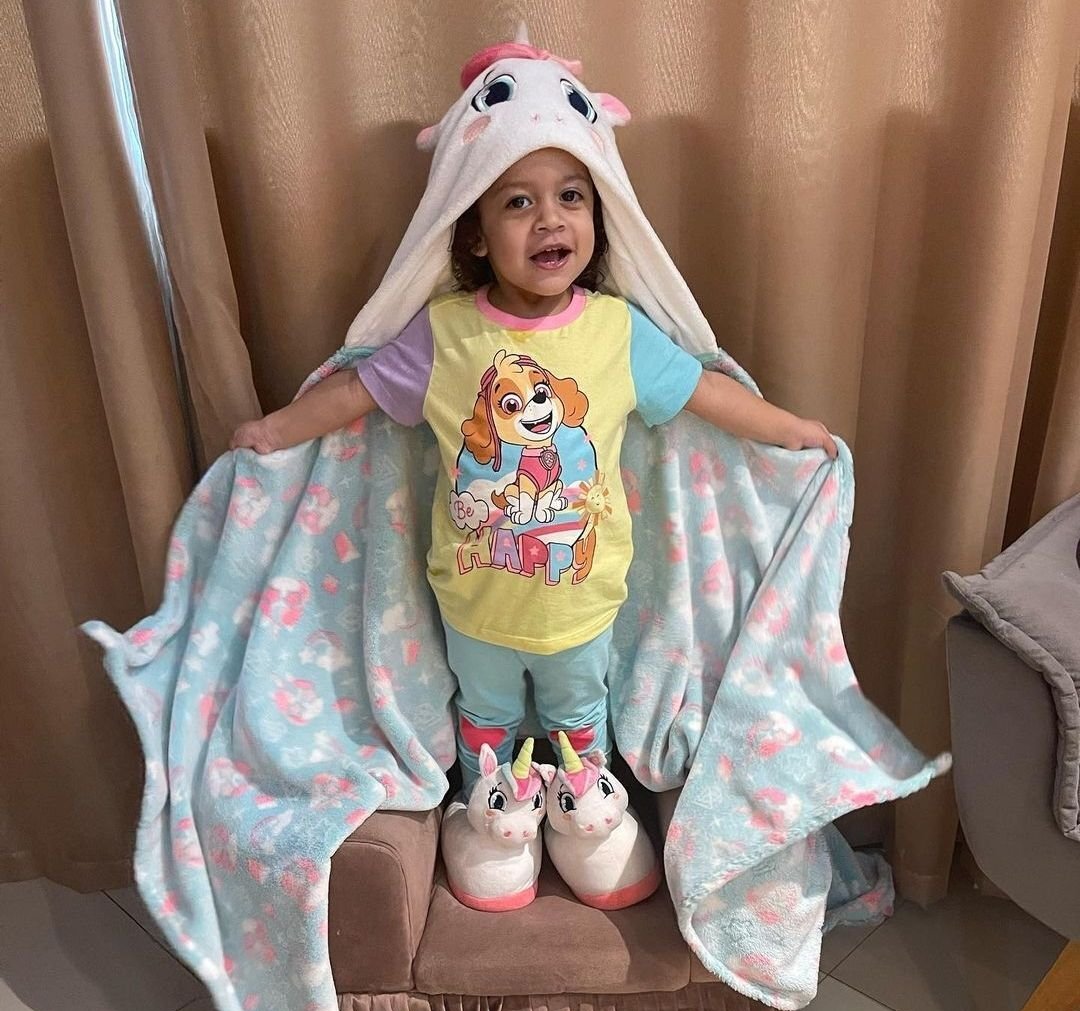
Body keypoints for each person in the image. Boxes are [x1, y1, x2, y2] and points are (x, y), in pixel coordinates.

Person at [232, 146, 835, 800]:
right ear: (476, 236)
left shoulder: (616, 330)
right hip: (473, 605)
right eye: (519, 202)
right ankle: (491, 817)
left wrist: (788, 429)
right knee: (484, 717)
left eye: (571, 197)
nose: (550, 218)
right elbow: (357, 389)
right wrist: (275, 431)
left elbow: (704, 390)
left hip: (581, 604)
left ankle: (586, 819)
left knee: (579, 719)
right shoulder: (444, 333)